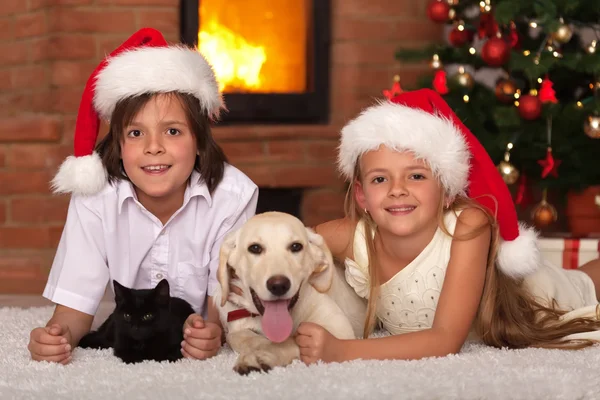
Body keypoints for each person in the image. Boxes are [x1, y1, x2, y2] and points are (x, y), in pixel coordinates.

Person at [295, 89, 600, 364]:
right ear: (361, 194)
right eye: (379, 179)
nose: (397, 189)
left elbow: (445, 340)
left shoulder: (468, 225)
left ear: (448, 191)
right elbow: (284, 245)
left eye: (416, 176)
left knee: (585, 281)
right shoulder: (349, 236)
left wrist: (342, 351)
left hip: (542, 296)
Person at [27, 28, 258, 364]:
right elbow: (73, 308)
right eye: (136, 133)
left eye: (173, 131)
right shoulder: (95, 199)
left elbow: (220, 304)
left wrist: (210, 331)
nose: (153, 147)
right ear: (119, 146)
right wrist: (55, 336)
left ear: (198, 143)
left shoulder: (232, 196)